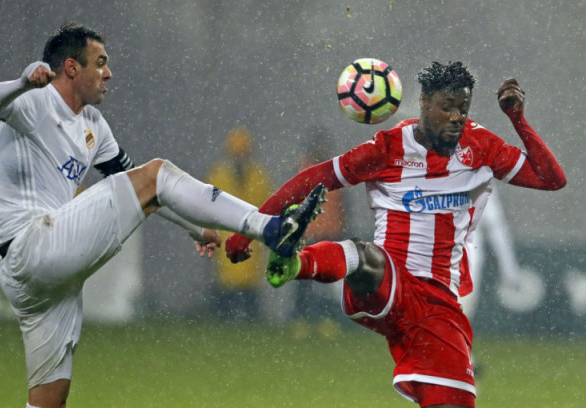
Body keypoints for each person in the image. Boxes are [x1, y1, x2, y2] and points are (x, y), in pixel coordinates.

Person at [0, 22, 326, 408]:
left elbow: (142, 189)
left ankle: (269, 228)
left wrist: (195, 227)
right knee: (158, 173)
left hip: (42, 278)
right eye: (100, 63)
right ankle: (270, 228)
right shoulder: (34, 100)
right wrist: (23, 82)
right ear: (71, 67)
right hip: (32, 245)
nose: (109, 73)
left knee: (48, 400)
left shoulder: (94, 126)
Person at [226, 61, 566, 407]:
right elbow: (313, 178)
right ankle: (294, 264)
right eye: (447, 107)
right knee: (362, 255)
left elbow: (552, 179)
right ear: (424, 102)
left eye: (462, 108)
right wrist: (248, 228)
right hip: (389, 282)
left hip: (440, 304)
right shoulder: (387, 148)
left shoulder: (481, 144)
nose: (456, 117)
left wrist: (517, 120)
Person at [206, 126, 275, 320]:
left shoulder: (258, 176)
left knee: (250, 285)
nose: (240, 158)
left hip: (250, 237)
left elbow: (268, 205)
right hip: (226, 236)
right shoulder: (219, 175)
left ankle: (250, 320)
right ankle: (224, 318)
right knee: (226, 283)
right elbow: (208, 206)